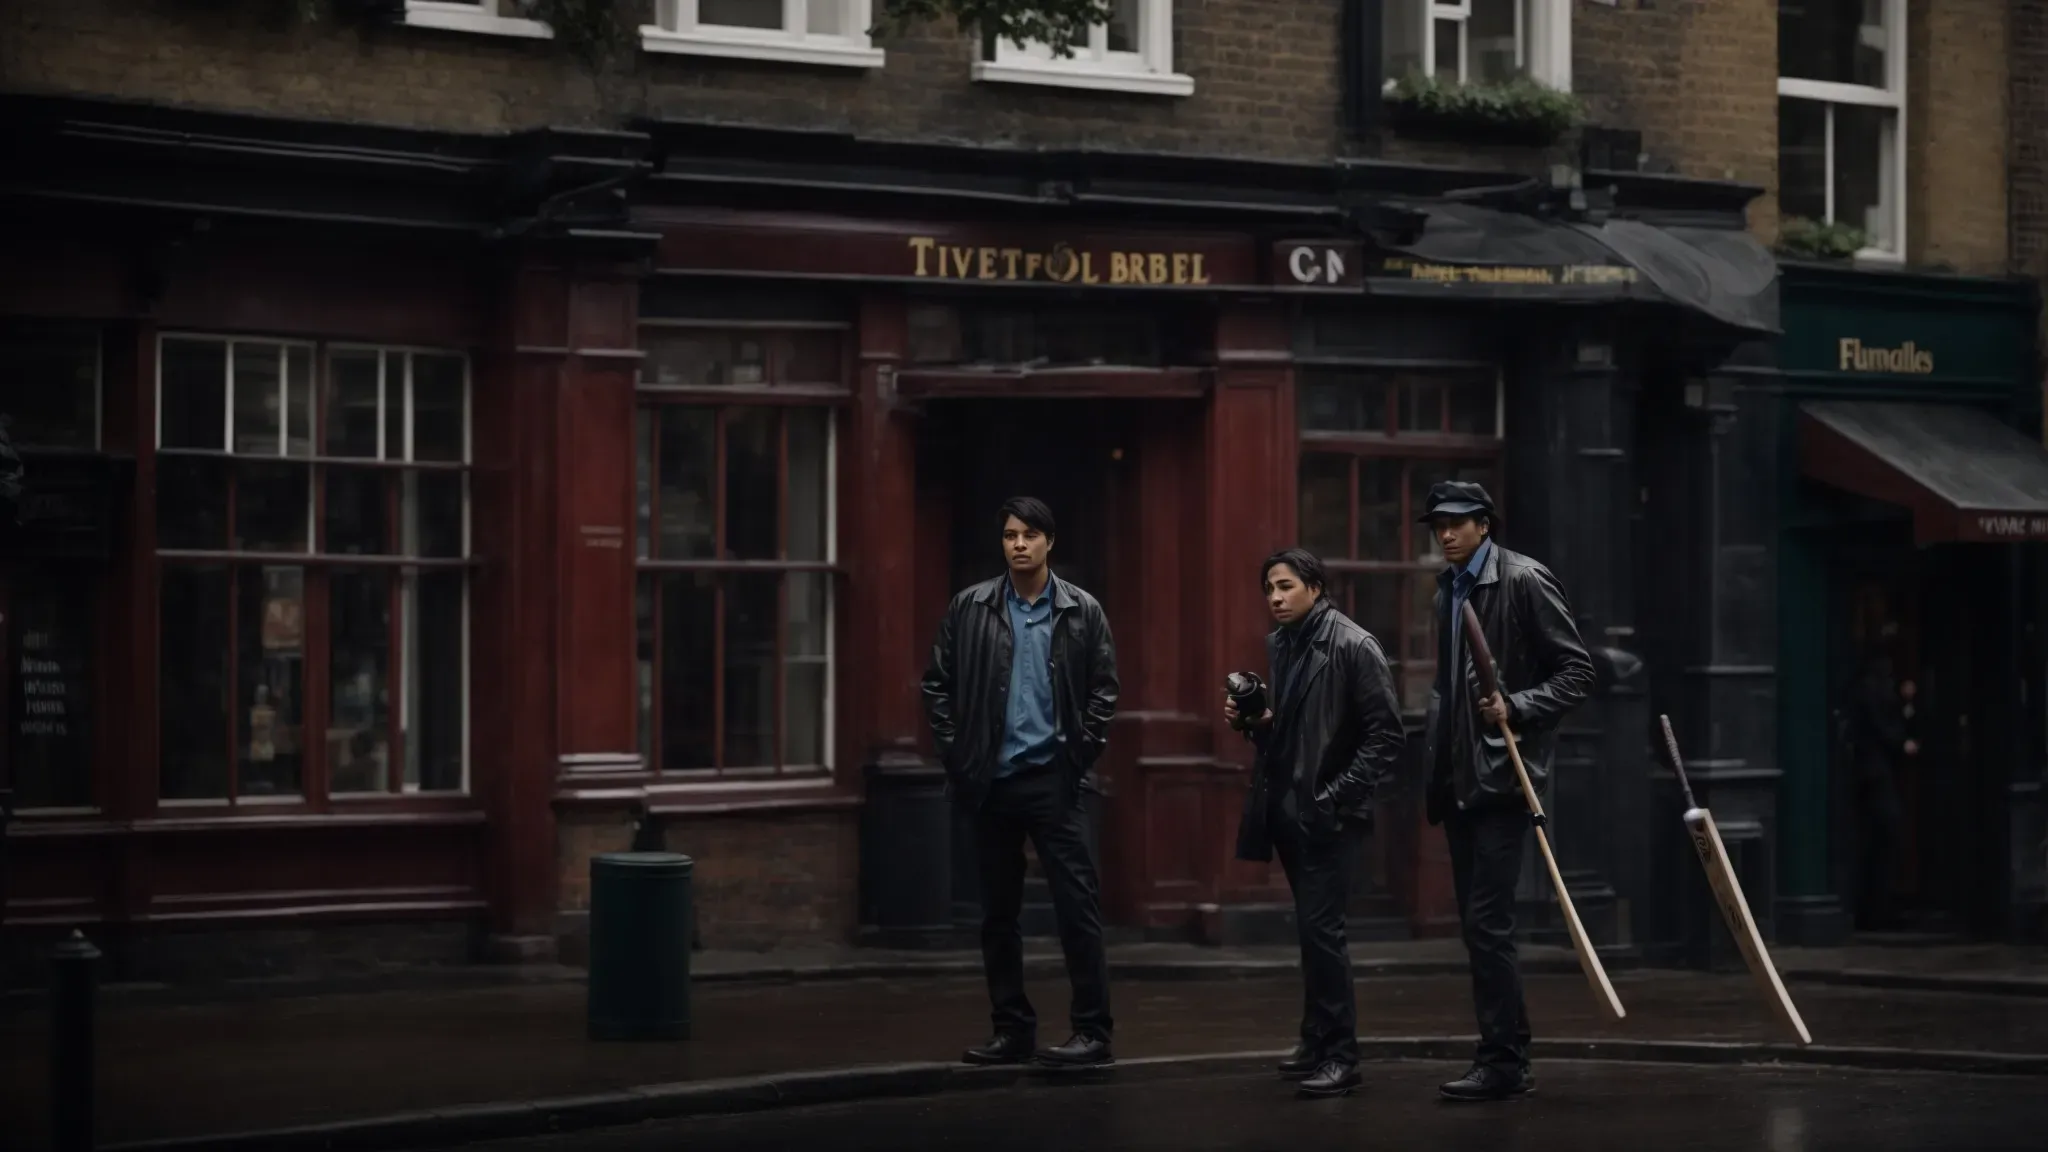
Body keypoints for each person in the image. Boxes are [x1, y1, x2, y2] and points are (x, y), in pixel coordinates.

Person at [922, 496, 1120, 1069]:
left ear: (1049, 541)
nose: (1019, 544)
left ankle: (1092, 1032)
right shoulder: (970, 607)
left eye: (1030, 535)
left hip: (1055, 780)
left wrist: (1078, 754)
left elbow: (1104, 691)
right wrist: (960, 753)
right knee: (998, 914)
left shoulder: (1082, 610)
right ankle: (1012, 1030)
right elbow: (937, 685)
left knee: (1077, 909)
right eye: (1011, 535)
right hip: (992, 781)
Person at [1419, 480, 1594, 1103]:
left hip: (1502, 775)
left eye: (1457, 523)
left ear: (1484, 525)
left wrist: (1516, 705)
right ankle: (1507, 1053)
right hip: (1459, 776)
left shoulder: (1523, 580)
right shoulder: (1447, 591)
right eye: (1438, 524)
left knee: (1488, 923)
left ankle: (1502, 1062)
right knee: (1478, 925)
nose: (1446, 534)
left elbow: (1577, 672)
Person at [1225, 547, 1404, 1098]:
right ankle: (1315, 1039)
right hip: (1289, 807)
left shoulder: (1353, 645)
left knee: (1324, 933)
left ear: (1316, 588)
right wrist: (1256, 721)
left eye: (1285, 586)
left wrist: (1334, 798)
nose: (1276, 598)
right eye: (1269, 589)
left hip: (1328, 813)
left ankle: (1341, 1056)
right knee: (1311, 930)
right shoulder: (1284, 643)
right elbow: (1294, 730)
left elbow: (1386, 736)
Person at [1850, 639, 1913, 931]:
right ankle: (1877, 911)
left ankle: (1876, 909)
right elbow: (1884, 727)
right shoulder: (1873, 689)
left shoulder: (1868, 687)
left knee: (1878, 840)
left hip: (1872, 772)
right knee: (1885, 837)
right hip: (1876, 773)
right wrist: (1903, 742)